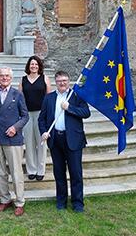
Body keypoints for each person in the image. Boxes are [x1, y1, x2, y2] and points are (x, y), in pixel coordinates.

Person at [38, 71, 90, 212]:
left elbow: (86, 113)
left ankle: (77, 203)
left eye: (65, 80)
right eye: (60, 80)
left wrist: (69, 108)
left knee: (76, 173)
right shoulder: (49, 98)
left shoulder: (76, 96)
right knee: (59, 172)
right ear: (56, 81)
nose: (62, 83)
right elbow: (41, 119)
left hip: (73, 139)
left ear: (69, 81)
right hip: (56, 139)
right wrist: (44, 131)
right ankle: (61, 201)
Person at [0, 67, 29, 216]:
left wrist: (15, 127)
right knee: (0, 172)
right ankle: (5, 199)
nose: (4, 78)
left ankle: (19, 202)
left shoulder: (18, 95)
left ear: (11, 78)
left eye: (7, 76)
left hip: (13, 139)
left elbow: (25, 117)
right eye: (2, 76)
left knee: (16, 172)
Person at [19, 55, 51, 181]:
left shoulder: (45, 79)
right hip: (27, 114)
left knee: (41, 142)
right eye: (32, 64)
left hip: (41, 114)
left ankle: (40, 170)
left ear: (39, 66)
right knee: (29, 142)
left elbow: (49, 97)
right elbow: (20, 99)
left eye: (36, 64)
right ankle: (31, 170)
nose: (34, 66)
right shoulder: (23, 80)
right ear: (28, 66)